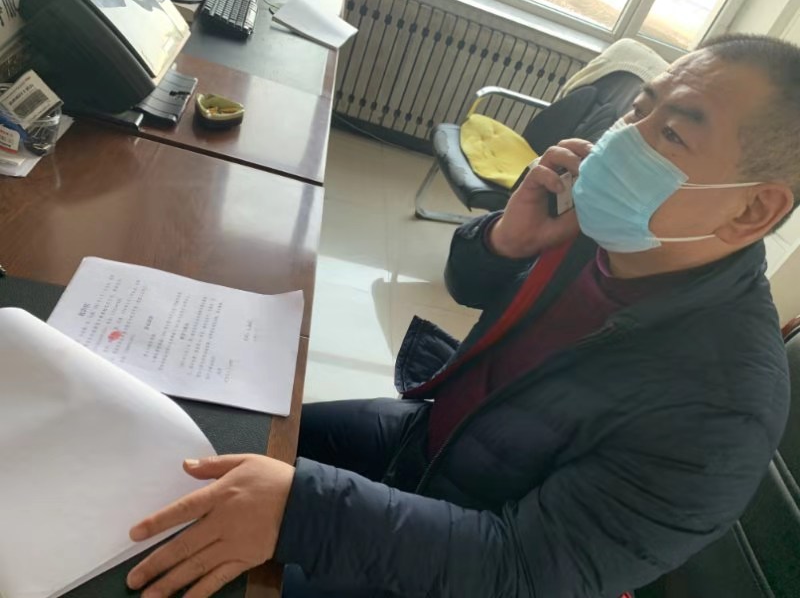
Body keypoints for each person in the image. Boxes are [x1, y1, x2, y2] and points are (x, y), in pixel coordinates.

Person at [125, 34, 800, 598]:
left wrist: (303, 510)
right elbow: (469, 285)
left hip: (478, 557)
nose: (624, 141)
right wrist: (504, 241)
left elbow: (522, 570)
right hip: (434, 440)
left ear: (752, 209)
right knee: (212, 439)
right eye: (639, 110)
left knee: (181, 566)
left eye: (672, 133)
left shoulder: (725, 405)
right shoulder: (607, 227)